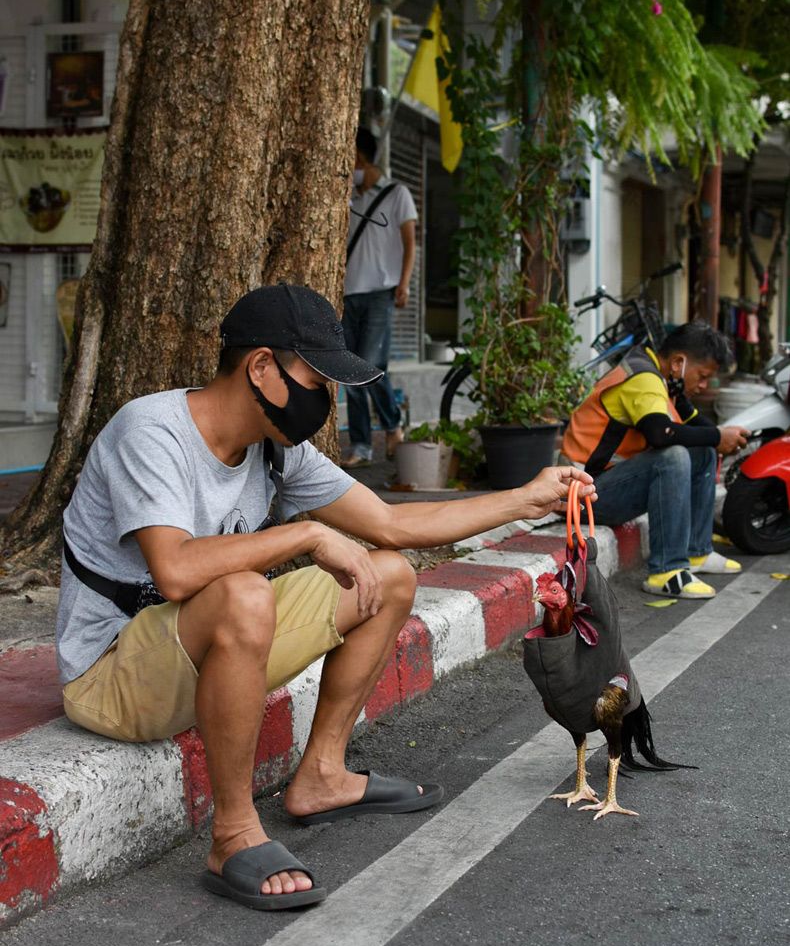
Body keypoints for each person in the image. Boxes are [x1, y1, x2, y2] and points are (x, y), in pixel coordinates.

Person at [56, 283, 596, 912]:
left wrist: (526, 499)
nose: (327, 399)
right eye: (317, 379)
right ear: (261, 366)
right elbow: (174, 571)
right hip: (112, 677)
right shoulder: (152, 432)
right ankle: (232, 833)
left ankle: (323, 776)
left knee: (387, 574)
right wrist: (310, 533)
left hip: (191, 657)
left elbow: (393, 526)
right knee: (242, 595)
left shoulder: (275, 452)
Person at [560, 320, 750, 600]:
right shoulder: (643, 379)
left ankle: (697, 552)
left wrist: (719, 436)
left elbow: (695, 426)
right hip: (583, 497)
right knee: (671, 456)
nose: (703, 384)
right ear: (678, 363)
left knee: (703, 451)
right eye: (702, 375)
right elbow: (661, 434)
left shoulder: (658, 377)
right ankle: (666, 570)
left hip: (604, 485)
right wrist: (717, 435)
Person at [340, 127, 416, 468]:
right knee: (348, 372)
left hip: (380, 294)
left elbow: (411, 243)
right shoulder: (347, 196)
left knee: (369, 367)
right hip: (347, 294)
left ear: (361, 157)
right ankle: (361, 445)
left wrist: (404, 283)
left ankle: (391, 424)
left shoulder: (397, 193)